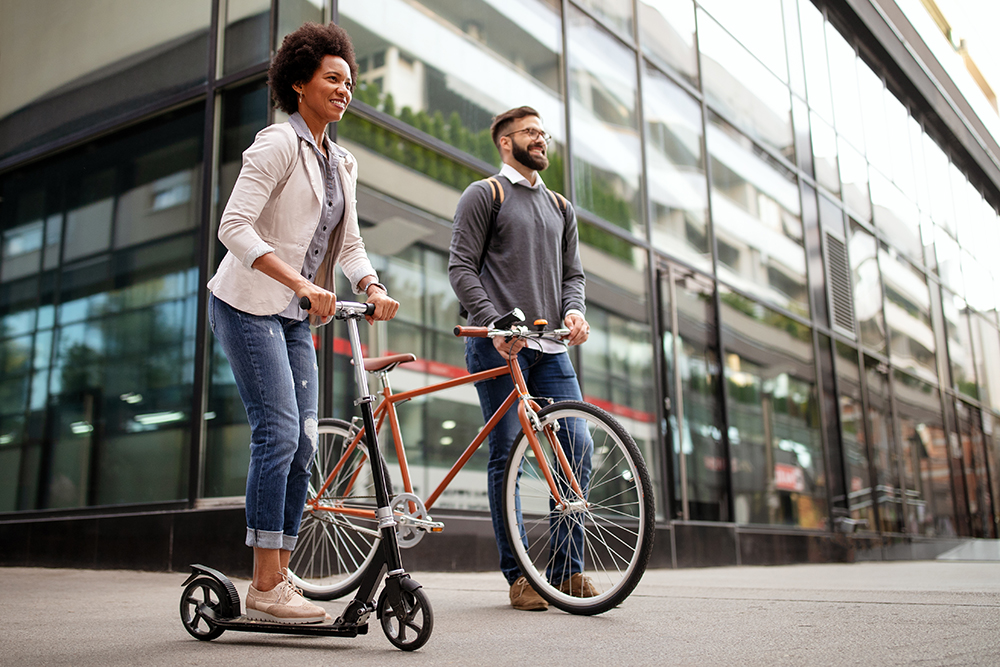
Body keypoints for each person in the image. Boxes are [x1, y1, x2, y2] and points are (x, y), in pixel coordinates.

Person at [207, 22, 398, 624]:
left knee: (306, 444)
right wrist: (300, 282)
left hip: (294, 315)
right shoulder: (276, 144)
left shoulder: (342, 160)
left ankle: (278, 576)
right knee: (280, 434)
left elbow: (350, 243)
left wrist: (369, 283)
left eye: (350, 81)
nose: (345, 90)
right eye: (333, 79)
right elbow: (233, 227)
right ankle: (264, 584)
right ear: (300, 82)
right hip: (247, 303)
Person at [448, 106, 595, 611]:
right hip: (498, 344)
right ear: (506, 142)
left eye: (544, 132)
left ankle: (567, 570)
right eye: (531, 132)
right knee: (507, 451)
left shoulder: (560, 206)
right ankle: (521, 576)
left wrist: (574, 311)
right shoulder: (484, 194)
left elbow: (572, 276)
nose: (542, 140)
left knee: (577, 444)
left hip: (551, 347)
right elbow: (461, 268)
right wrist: (494, 322)